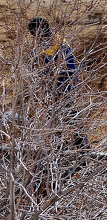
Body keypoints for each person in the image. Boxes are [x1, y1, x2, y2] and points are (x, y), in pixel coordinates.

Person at [26, 16, 87, 150]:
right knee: (55, 120)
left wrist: (62, 90)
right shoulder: (48, 42)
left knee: (68, 118)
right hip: (53, 88)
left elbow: (69, 67)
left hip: (62, 87)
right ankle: (62, 149)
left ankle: (81, 149)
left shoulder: (56, 43)